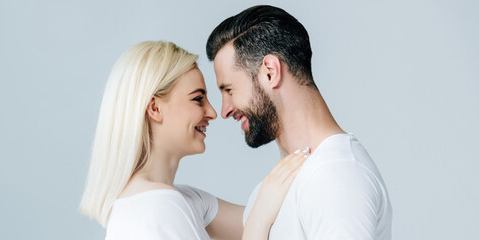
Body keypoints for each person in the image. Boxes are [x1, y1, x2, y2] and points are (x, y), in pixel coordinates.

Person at [79, 40, 311, 240]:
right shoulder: (159, 205)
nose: (212, 112)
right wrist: (259, 220)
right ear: (155, 108)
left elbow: (277, 224)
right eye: (198, 99)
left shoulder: (172, 199)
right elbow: (258, 222)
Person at [206, 5, 393, 239]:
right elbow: (201, 211)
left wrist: (255, 230)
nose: (225, 110)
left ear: (270, 73)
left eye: (229, 89)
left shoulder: (334, 175)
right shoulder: (280, 185)